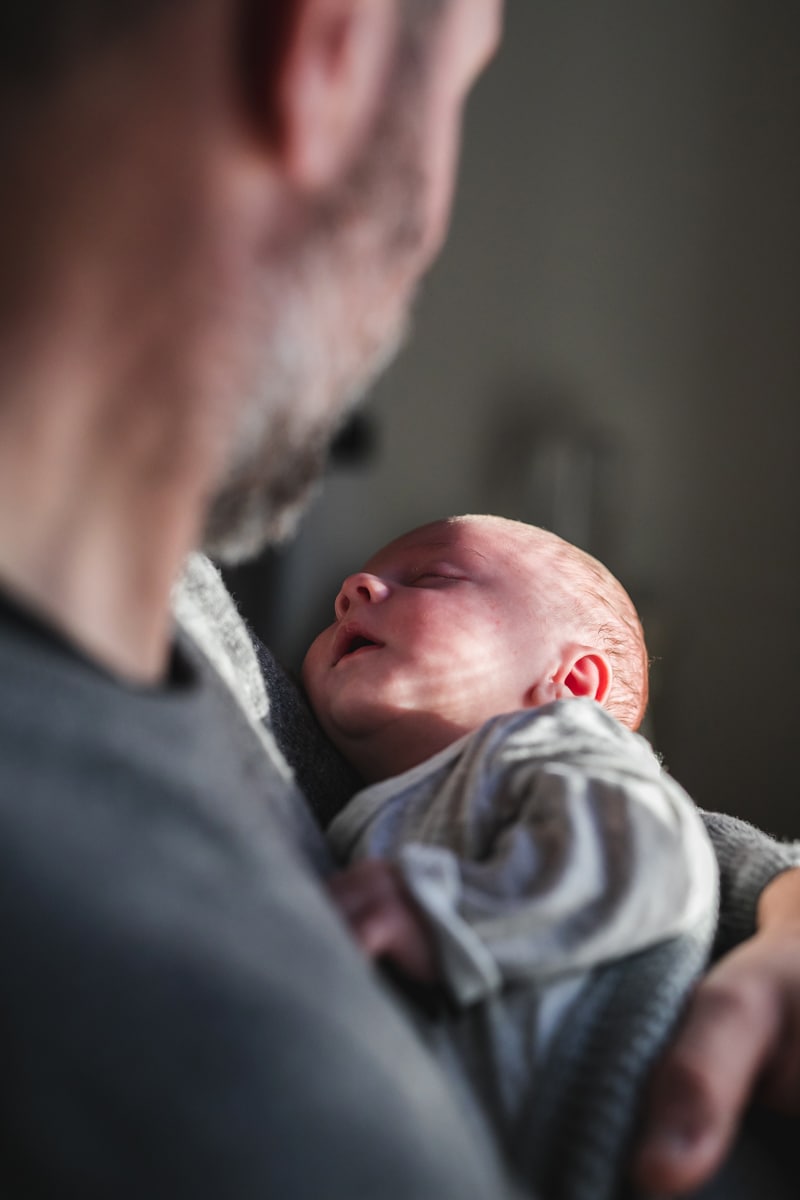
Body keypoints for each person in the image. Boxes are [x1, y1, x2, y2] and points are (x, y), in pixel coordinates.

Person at [0, 0, 798, 1196]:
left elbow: (642, 832)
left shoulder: (240, 692)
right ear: (332, 48)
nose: (358, 582)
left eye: (429, 577)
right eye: (464, 82)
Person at [300, 512, 721, 1199]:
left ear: (570, 683)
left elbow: (641, 853)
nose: (354, 589)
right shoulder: (376, 800)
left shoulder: (556, 741)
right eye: (340, 600)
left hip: (597, 1129)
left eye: (434, 577)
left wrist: (445, 910)